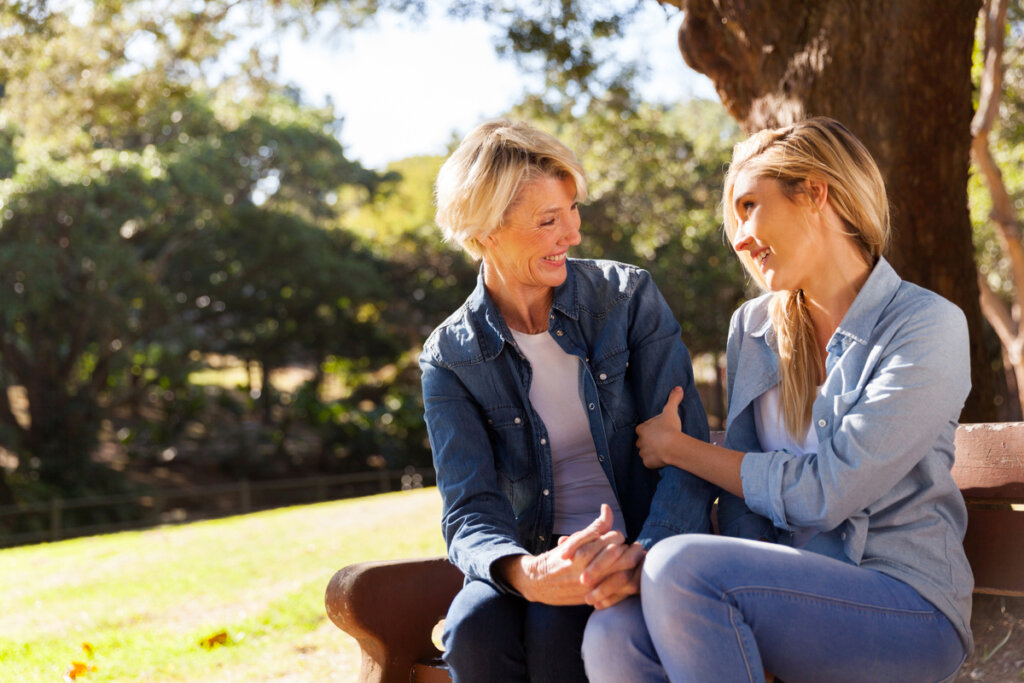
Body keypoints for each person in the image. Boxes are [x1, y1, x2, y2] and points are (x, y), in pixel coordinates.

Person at [582, 117, 973, 683]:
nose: (738, 238)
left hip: (906, 604)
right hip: (782, 597)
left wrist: (679, 449)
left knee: (679, 567)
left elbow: (830, 491)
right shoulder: (756, 327)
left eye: (748, 207)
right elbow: (743, 506)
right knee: (614, 630)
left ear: (816, 191)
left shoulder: (926, 326)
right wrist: (753, 598)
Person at [419, 119, 715, 682]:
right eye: (548, 220)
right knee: (473, 632)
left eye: (572, 210)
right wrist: (527, 572)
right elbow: (469, 508)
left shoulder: (628, 300)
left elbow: (688, 455)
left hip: (636, 542)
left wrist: (642, 557)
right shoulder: (450, 357)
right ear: (484, 231)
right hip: (530, 555)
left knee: (559, 633)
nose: (573, 234)